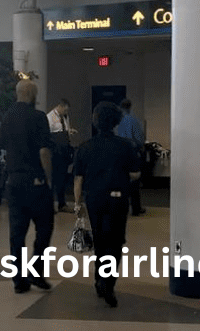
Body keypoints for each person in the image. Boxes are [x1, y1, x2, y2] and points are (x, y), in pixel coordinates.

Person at [73, 102, 141, 308]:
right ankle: (108, 283)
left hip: (95, 199)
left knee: (100, 241)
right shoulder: (125, 146)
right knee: (116, 242)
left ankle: (98, 280)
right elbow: (135, 173)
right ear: (116, 122)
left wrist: (78, 205)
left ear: (95, 121)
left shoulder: (85, 147)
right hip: (118, 199)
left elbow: (78, 179)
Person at [0, 79, 53, 294]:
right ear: (31, 94)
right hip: (36, 183)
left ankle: (18, 280)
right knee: (45, 227)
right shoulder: (38, 117)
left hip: (14, 182)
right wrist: (48, 177)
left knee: (17, 233)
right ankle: (36, 270)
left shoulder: (6, 117)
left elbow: (3, 146)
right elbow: (43, 151)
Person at [114, 98, 145, 216]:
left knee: (119, 180)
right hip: (131, 152)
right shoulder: (134, 121)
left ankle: (120, 207)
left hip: (117, 154)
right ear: (130, 107)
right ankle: (136, 208)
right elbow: (139, 139)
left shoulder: (116, 121)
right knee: (134, 181)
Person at [47, 99, 77, 212]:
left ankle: (62, 203)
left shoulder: (65, 118)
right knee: (54, 178)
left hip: (64, 151)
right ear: (60, 106)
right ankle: (50, 204)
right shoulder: (50, 117)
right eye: (65, 110)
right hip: (55, 153)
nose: (66, 112)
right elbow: (49, 134)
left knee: (62, 178)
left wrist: (69, 132)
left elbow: (64, 129)